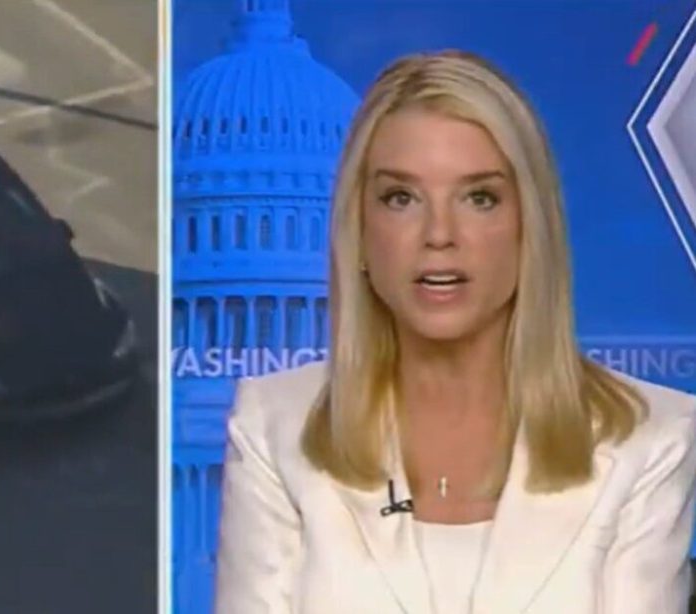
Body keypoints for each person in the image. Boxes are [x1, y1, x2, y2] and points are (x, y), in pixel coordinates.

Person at [213, 50, 696, 614]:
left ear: (530, 228)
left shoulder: (652, 439)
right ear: (359, 232)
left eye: (479, 198)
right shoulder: (274, 426)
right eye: (401, 198)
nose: (439, 234)